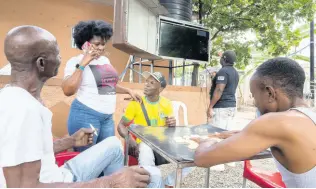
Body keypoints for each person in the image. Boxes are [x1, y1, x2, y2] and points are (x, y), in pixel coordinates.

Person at [0, 25, 161, 188]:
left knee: (114, 144)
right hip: (55, 181)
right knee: (153, 177)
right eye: (56, 53)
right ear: (41, 63)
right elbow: (23, 187)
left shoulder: (19, 98)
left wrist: (70, 141)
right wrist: (110, 183)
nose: (60, 58)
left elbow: (37, 150)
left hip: (59, 173)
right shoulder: (22, 109)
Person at [194, 57, 316, 188]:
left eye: (254, 95)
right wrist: (232, 135)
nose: (254, 103)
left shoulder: (275, 123)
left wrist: (206, 141)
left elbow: (202, 159)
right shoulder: (309, 116)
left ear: (270, 93)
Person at [62, 20, 141, 152]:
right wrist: (84, 63)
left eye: (103, 44)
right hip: (86, 115)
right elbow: (68, 90)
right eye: (97, 44)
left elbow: (107, 85)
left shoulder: (105, 60)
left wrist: (128, 91)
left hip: (107, 118)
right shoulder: (74, 62)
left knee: (106, 156)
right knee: (87, 160)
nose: (101, 48)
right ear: (85, 44)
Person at [117, 71, 194, 187]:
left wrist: (172, 125)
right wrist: (129, 139)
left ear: (160, 89)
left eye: (152, 83)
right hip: (145, 143)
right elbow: (121, 125)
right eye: (146, 82)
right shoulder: (136, 103)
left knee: (194, 156)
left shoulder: (166, 104)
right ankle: (154, 184)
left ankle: (168, 183)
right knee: (146, 152)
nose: (146, 85)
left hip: (163, 144)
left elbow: (170, 131)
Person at [206, 50, 239, 170]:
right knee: (228, 134)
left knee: (217, 134)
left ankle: (216, 164)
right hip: (231, 107)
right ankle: (229, 160)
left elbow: (219, 90)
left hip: (221, 107)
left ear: (224, 59)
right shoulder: (234, 72)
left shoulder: (223, 71)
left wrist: (210, 107)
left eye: (221, 58)